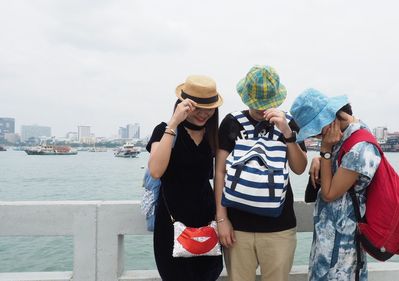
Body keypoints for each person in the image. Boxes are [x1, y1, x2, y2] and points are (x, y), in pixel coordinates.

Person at [214, 65, 308, 281]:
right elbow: (219, 171)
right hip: (237, 227)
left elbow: (299, 168)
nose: (261, 110)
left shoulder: (289, 122)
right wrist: (221, 218)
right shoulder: (231, 122)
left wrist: (287, 132)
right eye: (256, 105)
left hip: (280, 227)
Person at [290, 88, 382, 281]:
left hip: (344, 245)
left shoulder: (360, 148)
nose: (315, 137)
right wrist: (321, 159)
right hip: (327, 237)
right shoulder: (344, 135)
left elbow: (330, 193)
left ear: (328, 120)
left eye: (315, 131)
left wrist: (324, 151)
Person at [147, 75, 224, 281]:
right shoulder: (165, 130)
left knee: (208, 275)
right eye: (197, 107)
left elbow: (222, 174)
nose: (204, 113)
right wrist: (174, 122)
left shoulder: (212, 135)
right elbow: (156, 170)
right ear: (184, 104)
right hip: (172, 221)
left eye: (210, 107)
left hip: (207, 221)